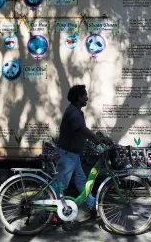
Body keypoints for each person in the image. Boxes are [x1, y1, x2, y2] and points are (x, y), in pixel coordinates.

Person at [53, 84, 112, 223]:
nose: (87, 97)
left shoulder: (75, 111)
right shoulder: (73, 113)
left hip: (73, 155)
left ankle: (92, 208)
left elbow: (80, 133)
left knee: (82, 183)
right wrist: (100, 140)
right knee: (61, 185)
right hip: (68, 155)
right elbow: (82, 130)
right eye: (85, 95)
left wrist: (93, 141)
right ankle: (52, 213)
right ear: (79, 97)